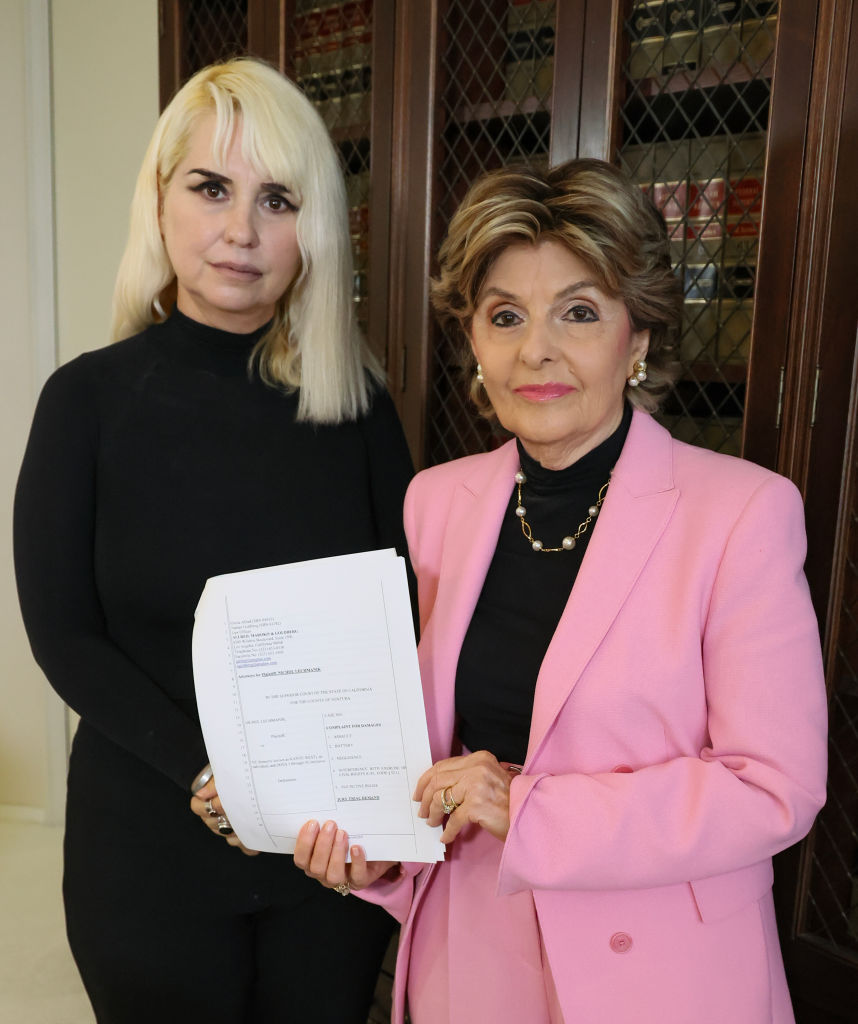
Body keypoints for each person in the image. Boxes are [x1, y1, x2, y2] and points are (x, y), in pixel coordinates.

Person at [293, 158, 829, 1023]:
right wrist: (381, 855)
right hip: (473, 951)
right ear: (474, 340)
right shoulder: (437, 501)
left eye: (578, 312)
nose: (535, 349)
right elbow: (429, 753)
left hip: (662, 971)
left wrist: (528, 808)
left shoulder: (743, 513)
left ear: (638, 337)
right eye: (505, 315)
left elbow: (774, 786)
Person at [14, 58, 409, 1023]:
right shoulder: (86, 402)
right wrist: (206, 770)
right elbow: (64, 635)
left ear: (314, 231)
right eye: (211, 187)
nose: (241, 230)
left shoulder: (359, 409)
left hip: (328, 851)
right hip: (144, 845)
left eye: (277, 199)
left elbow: (401, 621)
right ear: (160, 201)